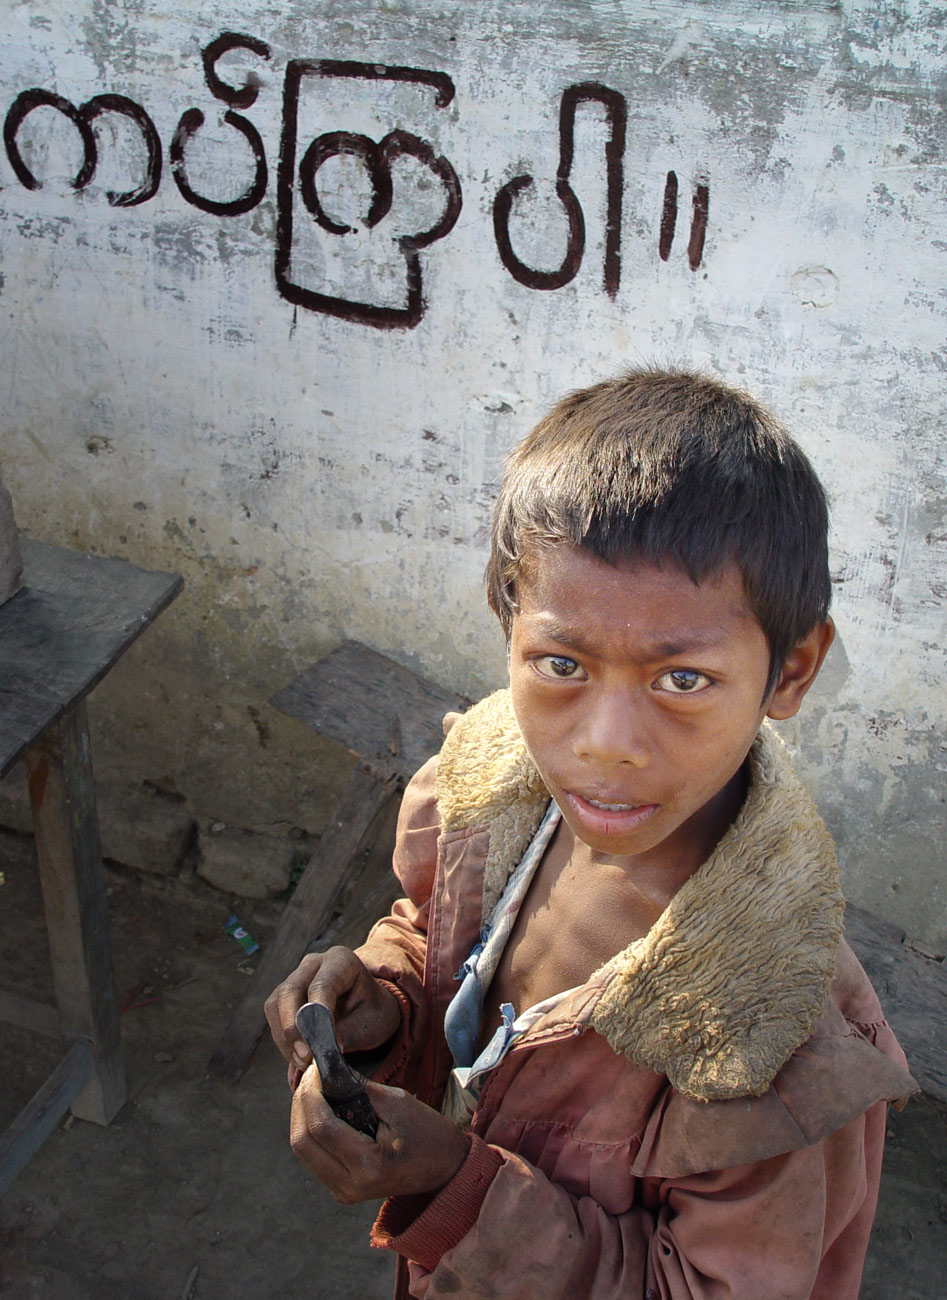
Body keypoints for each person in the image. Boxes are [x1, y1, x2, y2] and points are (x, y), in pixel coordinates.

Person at [265, 369, 914, 1300]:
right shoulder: (500, 793)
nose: (606, 748)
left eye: (680, 678)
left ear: (791, 670)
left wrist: (457, 1189)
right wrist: (388, 1003)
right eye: (561, 663)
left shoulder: (776, 1039)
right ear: (507, 620)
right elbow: (448, 938)